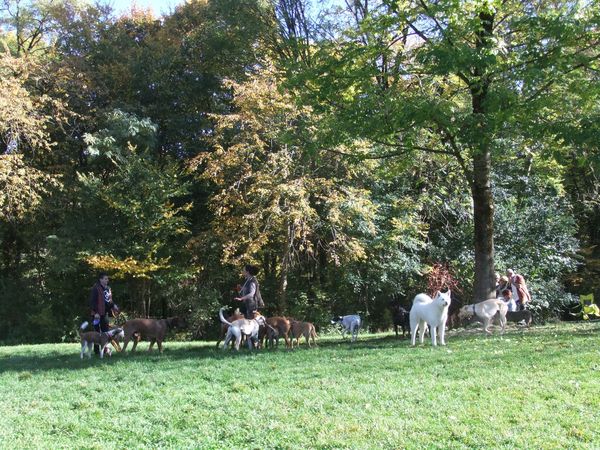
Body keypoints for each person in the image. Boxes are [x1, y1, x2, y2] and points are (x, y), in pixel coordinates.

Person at [89, 272, 118, 355]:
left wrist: (114, 305)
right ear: (100, 279)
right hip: (97, 314)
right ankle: (97, 351)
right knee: (96, 333)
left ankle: (105, 349)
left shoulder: (108, 288)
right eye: (105, 279)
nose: (107, 280)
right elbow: (92, 302)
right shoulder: (96, 288)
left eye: (107, 279)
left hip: (105, 313)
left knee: (105, 332)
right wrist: (95, 313)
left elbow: (109, 300)